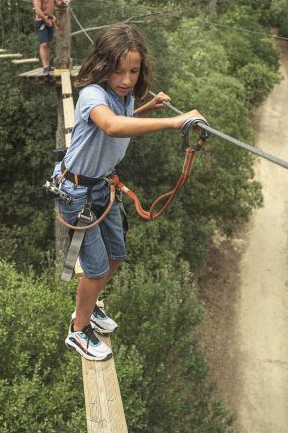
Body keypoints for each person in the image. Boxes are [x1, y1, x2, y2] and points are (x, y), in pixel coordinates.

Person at [52, 24, 204, 361]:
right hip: (77, 191)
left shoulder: (125, 97)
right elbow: (111, 125)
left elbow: (123, 119)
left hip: (102, 186)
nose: (126, 78)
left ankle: (87, 309)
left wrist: (148, 109)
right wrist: (173, 123)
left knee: (116, 256)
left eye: (133, 71)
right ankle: (77, 330)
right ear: (103, 66)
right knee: (94, 269)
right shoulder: (93, 94)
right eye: (118, 70)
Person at [33, 0, 68, 76]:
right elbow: (38, 10)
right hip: (41, 20)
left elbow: (56, 3)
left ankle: (48, 66)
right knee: (43, 44)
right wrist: (45, 20)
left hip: (50, 19)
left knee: (48, 44)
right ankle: (45, 68)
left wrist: (64, 1)